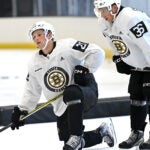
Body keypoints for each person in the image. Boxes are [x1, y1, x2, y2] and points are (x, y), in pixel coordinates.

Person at [10, 21, 116, 150]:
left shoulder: (67, 46)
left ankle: (76, 136)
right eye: (34, 37)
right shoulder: (34, 63)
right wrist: (22, 110)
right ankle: (102, 133)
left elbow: (97, 52)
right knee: (67, 142)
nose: (36, 38)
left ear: (49, 34)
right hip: (62, 103)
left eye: (39, 34)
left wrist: (85, 69)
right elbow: (31, 90)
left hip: (85, 90)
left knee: (71, 93)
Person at [93, 0, 150, 149]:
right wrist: (118, 57)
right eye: (100, 10)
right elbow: (113, 42)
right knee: (136, 96)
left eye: (104, 10)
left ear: (114, 7)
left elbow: (147, 44)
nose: (102, 15)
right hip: (139, 64)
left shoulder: (130, 19)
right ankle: (137, 133)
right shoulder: (104, 22)